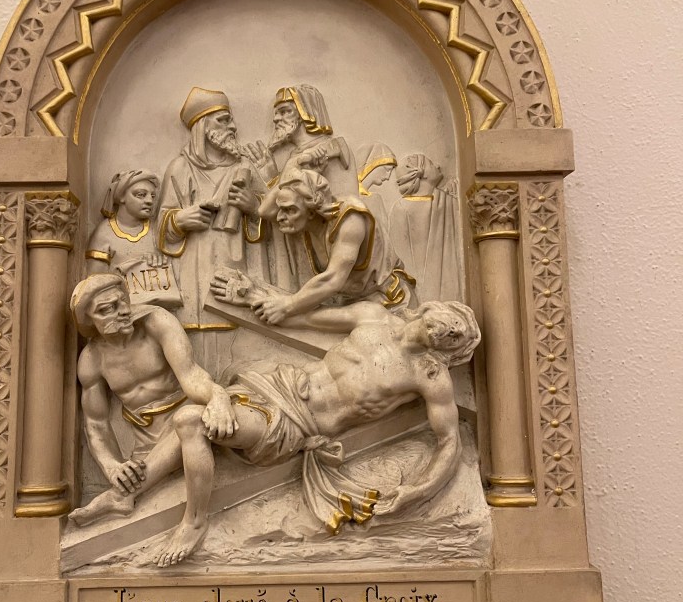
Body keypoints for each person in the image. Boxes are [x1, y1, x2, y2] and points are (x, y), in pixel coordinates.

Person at [148, 290, 480, 566]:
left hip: (293, 423)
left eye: (458, 336)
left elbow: (449, 440)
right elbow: (304, 316)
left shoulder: (429, 375)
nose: (453, 330)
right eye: (456, 320)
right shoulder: (373, 316)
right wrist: (250, 294)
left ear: (451, 350)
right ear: (432, 308)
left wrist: (418, 490)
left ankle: (194, 522)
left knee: (191, 420)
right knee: (194, 416)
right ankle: (130, 491)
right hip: (279, 383)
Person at [67, 273, 235, 562]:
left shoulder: (157, 322)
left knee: (188, 423)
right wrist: (112, 466)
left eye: (122, 302)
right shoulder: (92, 360)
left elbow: (191, 375)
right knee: (154, 454)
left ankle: (123, 496)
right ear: (89, 321)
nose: (121, 311)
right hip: (146, 440)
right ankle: (124, 490)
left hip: (185, 416)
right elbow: (96, 424)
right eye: (106, 309)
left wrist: (218, 397)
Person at [157, 87, 267, 373]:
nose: (233, 126)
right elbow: (163, 222)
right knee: (196, 346)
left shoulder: (245, 167)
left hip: (234, 268)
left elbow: (276, 217)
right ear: (203, 126)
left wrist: (253, 207)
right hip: (193, 272)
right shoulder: (180, 168)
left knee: (237, 344)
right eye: (223, 120)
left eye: (230, 119)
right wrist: (180, 220)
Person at [240, 167, 415, 325]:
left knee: (299, 321)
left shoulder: (350, 220)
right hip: (351, 306)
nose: (279, 217)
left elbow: (332, 280)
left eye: (290, 210)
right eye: (281, 209)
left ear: (312, 210)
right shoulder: (304, 222)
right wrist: (293, 165)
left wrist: (287, 306)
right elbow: (265, 212)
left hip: (390, 305)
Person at [86, 169, 181, 308]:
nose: (149, 201)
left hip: (156, 304)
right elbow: (94, 284)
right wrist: (127, 269)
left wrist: (159, 263)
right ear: (121, 197)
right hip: (119, 309)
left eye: (153, 196)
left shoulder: (156, 229)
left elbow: (174, 267)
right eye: (140, 195)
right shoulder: (104, 234)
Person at [389, 153, 462, 301]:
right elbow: (399, 258)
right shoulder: (402, 209)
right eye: (431, 164)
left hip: (449, 297)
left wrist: (457, 192)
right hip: (416, 296)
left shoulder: (448, 201)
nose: (438, 166)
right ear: (420, 173)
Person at [356, 142, 397, 226]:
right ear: (371, 165)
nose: (388, 177)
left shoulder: (375, 199)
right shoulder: (375, 200)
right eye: (387, 169)